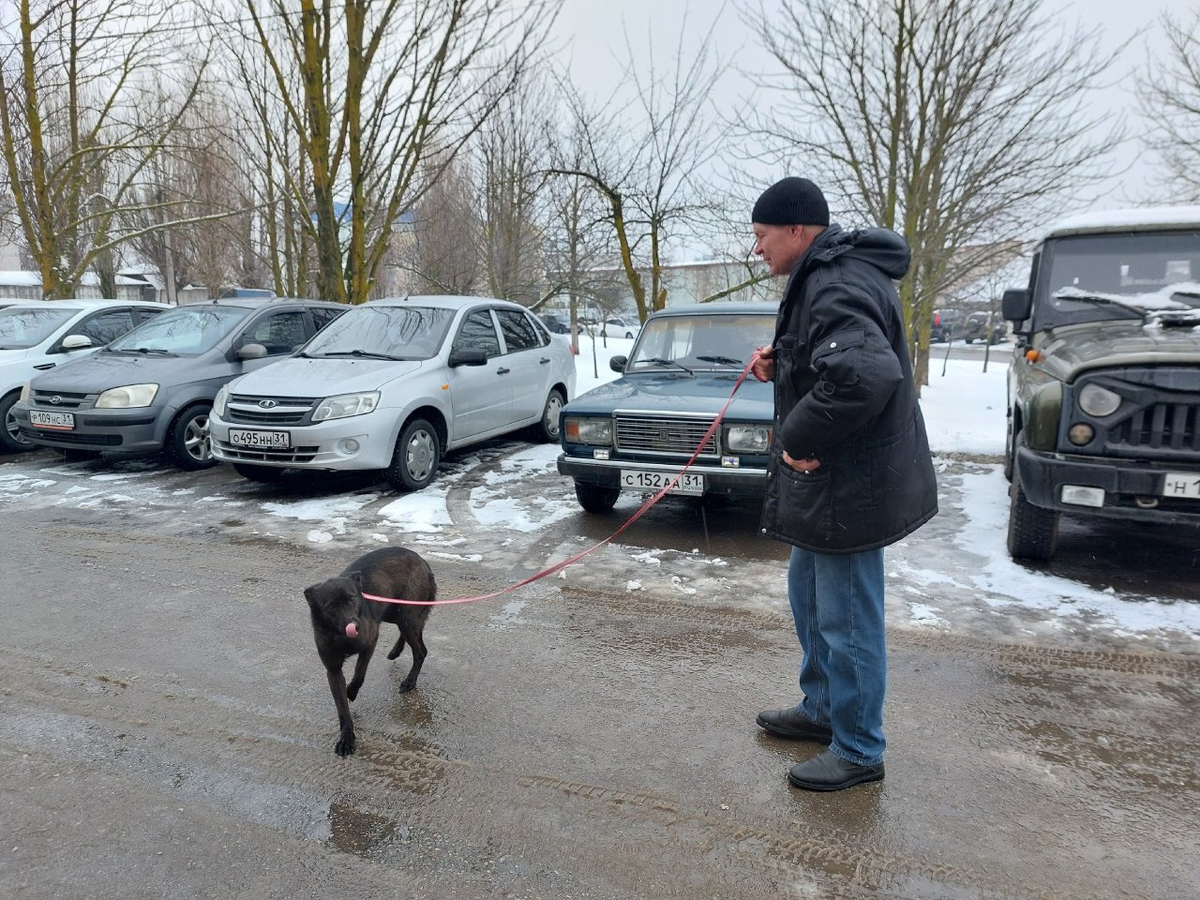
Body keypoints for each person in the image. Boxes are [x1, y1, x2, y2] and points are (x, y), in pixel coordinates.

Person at [748, 177, 938, 791]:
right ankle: (823, 709)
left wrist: (794, 437)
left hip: (850, 488)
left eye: (762, 236)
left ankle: (859, 748)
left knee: (847, 616)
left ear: (797, 230)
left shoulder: (834, 280)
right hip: (832, 485)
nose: (758, 250)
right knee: (807, 591)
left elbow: (865, 377)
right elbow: (841, 358)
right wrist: (789, 359)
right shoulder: (828, 277)